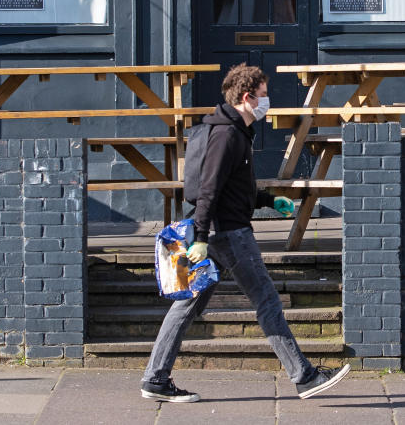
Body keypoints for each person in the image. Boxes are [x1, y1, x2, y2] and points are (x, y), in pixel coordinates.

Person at [141, 63, 350, 403]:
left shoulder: (228, 130)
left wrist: (268, 200)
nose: (267, 102)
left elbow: (231, 185)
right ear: (247, 97)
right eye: (264, 96)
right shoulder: (227, 134)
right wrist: (202, 239)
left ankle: (155, 378)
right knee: (266, 300)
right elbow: (209, 189)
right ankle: (305, 376)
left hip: (220, 230)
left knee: (186, 306)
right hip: (229, 234)